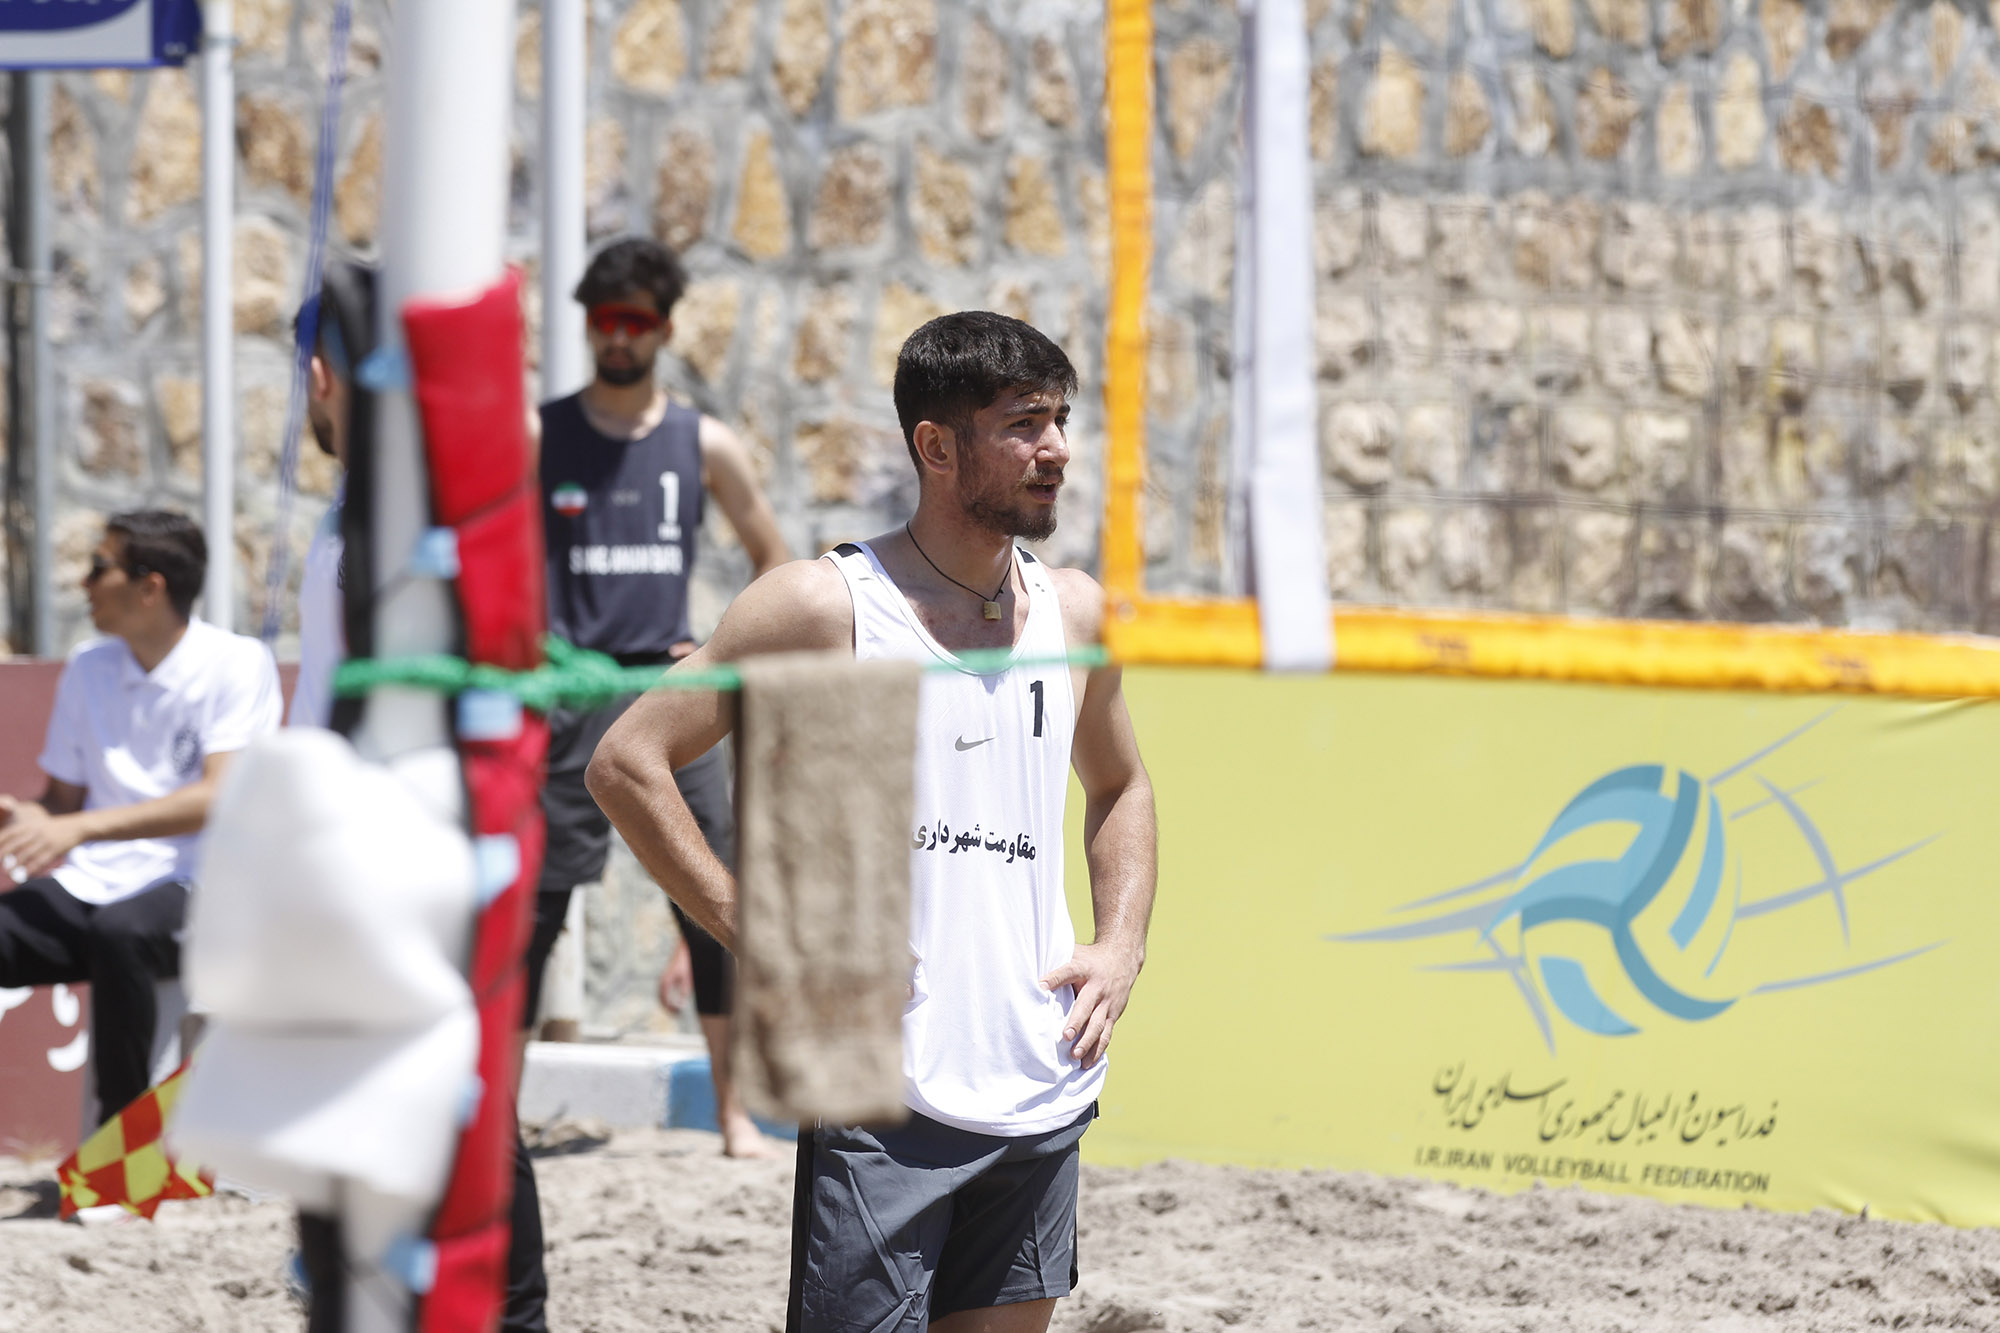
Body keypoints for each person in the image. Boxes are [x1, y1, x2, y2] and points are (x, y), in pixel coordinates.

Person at [586, 311, 1158, 1333]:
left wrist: (1120, 945)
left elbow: (1121, 787)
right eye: (1024, 423)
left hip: (1040, 1083)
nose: (1058, 450)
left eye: (1060, 421)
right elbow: (627, 762)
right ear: (935, 446)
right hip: (882, 1090)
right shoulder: (825, 607)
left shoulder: (1074, 612)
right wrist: (758, 933)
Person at [533, 235, 789, 1158]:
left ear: (665, 329)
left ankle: (732, 1114)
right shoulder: (541, 435)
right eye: (604, 320)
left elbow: (774, 559)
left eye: (636, 321)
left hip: (673, 694)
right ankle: (499, 1118)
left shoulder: (702, 441)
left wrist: (720, 648)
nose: (619, 335)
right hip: (570, 686)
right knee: (539, 903)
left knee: (711, 896)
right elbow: (489, 559)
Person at [0, 511, 281, 1125]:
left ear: (150, 587)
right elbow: (62, 805)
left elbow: (218, 798)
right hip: (96, 886)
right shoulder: (89, 667)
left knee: (121, 934)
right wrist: (23, 816)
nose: (84, 583)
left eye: (99, 567)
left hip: (204, 888)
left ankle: (122, 1149)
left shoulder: (238, 663)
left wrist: (77, 829)